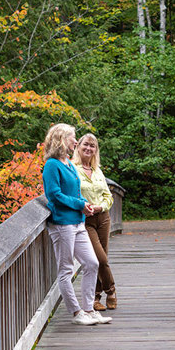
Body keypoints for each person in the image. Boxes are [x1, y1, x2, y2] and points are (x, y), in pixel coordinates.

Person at [42, 123, 112, 326]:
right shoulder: (52, 165)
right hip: (62, 223)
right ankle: (76, 312)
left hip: (78, 222)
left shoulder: (69, 164)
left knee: (92, 263)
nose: (75, 141)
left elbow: (75, 192)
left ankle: (89, 309)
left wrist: (85, 205)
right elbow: (54, 194)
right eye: (73, 138)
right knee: (66, 270)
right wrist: (79, 205)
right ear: (61, 139)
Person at [72, 133, 117, 311]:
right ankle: (111, 290)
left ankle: (95, 298)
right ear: (78, 146)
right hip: (86, 219)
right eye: (86, 145)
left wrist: (101, 207)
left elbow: (109, 196)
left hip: (103, 218)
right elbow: (73, 193)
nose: (89, 148)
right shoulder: (72, 169)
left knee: (102, 258)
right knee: (99, 259)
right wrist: (86, 206)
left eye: (93, 146)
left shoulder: (97, 170)